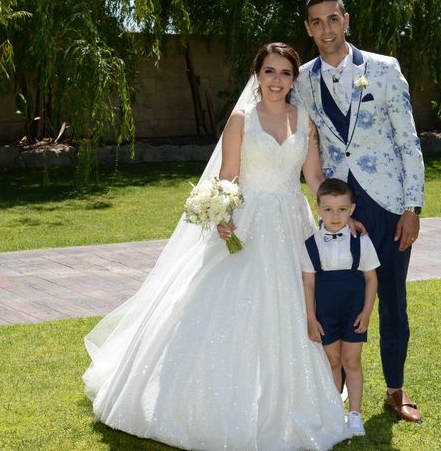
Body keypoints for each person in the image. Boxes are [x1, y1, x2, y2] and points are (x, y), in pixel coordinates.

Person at [82, 42, 350, 450]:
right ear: (257, 75)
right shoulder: (242, 119)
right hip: (250, 222)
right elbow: (228, 176)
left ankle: (292, 396)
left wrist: (339, 211)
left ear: (294, 79)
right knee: (227, 303)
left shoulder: (305, 120)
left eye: (285, 73)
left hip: (291, 224)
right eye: (270, 72)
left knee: (293, 306)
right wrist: (224, 215)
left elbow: (313, 178)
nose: (277, 81)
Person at [293, 0, 427, 423]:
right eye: (316, 22)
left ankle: (395, 389)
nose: (325, 29)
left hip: (387, 204)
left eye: (332, 19)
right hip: (337, 210)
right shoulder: (302, 81)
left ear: (346, 20)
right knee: (337, 297)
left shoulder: (384, 70)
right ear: (309, 29)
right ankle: (334, 394)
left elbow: (407, 139)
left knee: (392, 297)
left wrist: (413, 207)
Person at [301, 178, 379, 437]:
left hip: (354, 310)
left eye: (342, 209)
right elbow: (308, 284)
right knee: (333, 361)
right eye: (329, 209)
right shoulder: (310, 245)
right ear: (318, 209)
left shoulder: (361, 241)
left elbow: (371, 278)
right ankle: (335, 412)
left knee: (351, 360)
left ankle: (355, 414)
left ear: (352, 209)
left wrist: (367, 311)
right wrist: (311, 318)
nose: (335, 216)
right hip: (325, 312)